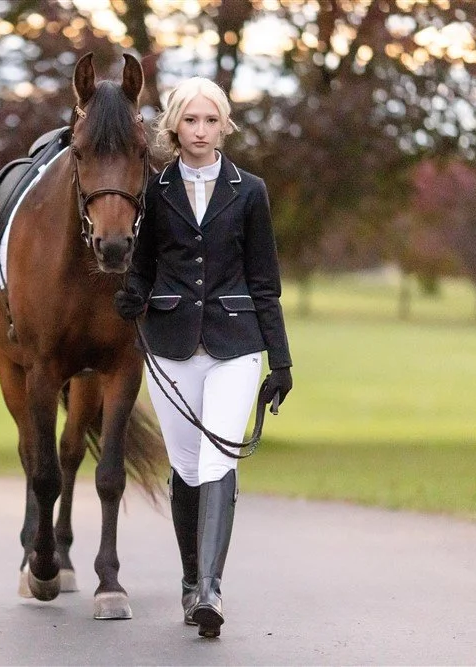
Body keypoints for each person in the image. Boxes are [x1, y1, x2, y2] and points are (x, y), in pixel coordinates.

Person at [113, 77, 293, 638]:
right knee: (187, 468)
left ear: (224, 125)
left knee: (219, 459)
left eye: (210, 120)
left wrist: (281, 361)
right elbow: (142, 266)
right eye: (190, 120)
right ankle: (192, 584)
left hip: (236, 343)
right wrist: (133, 294)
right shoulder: (154, 192)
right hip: (169, 344)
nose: (200, 130)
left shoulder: (251, 191)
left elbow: (265, 281)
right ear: (174, 126)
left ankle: (213, 590)